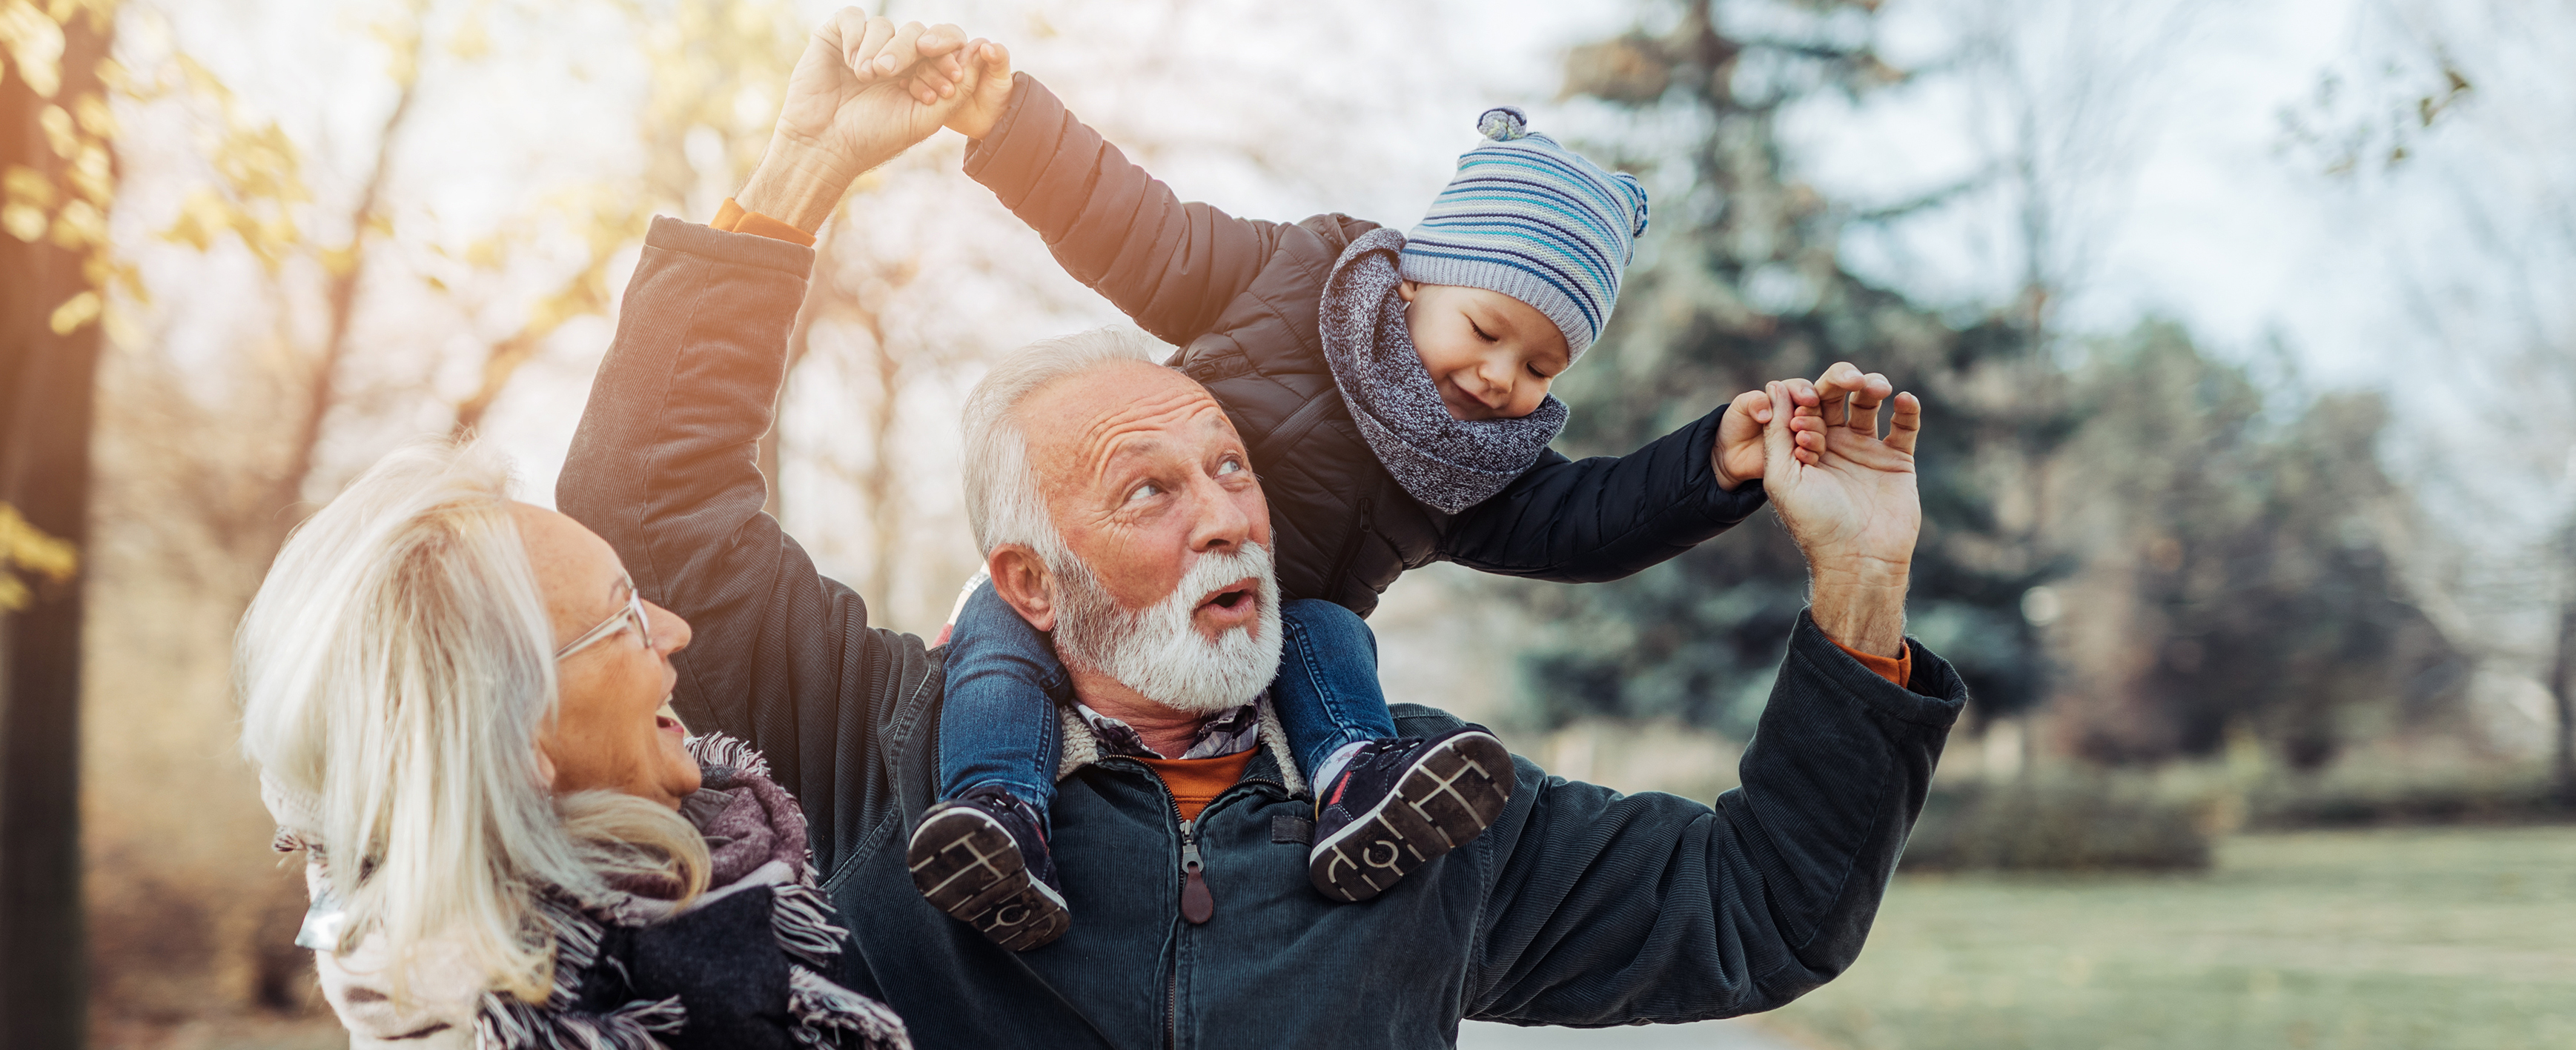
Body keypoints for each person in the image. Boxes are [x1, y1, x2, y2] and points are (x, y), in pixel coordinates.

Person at [556, 11, 1965, 1047]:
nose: (1236, 511)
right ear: (1029, 577)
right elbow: (653, 508)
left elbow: (1761, 908)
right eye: (1151, 488)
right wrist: (806, 166)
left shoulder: (1437, 815)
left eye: (1232, 466)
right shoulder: (880, 747)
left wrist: (1858, 573)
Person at [908, 36, 1836, 948]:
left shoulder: (1475, 464)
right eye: (1485, 329)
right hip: (1119, 591)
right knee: (1002, 632)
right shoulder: (1286, 284)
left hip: (1261, 633)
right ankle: (996, 812)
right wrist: (1009, 124)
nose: (1497, 375)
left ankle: (1359, 783)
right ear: (1414, 281)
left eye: (1540, 367)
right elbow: (1142, 232)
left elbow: (1586, 521)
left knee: (1332, 634)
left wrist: (1712, 463)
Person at [236, 442, 908, 1050]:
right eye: (626, 619)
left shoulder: (459, 975)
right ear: (516, 739)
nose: (675, 629)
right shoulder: (672, 1013)